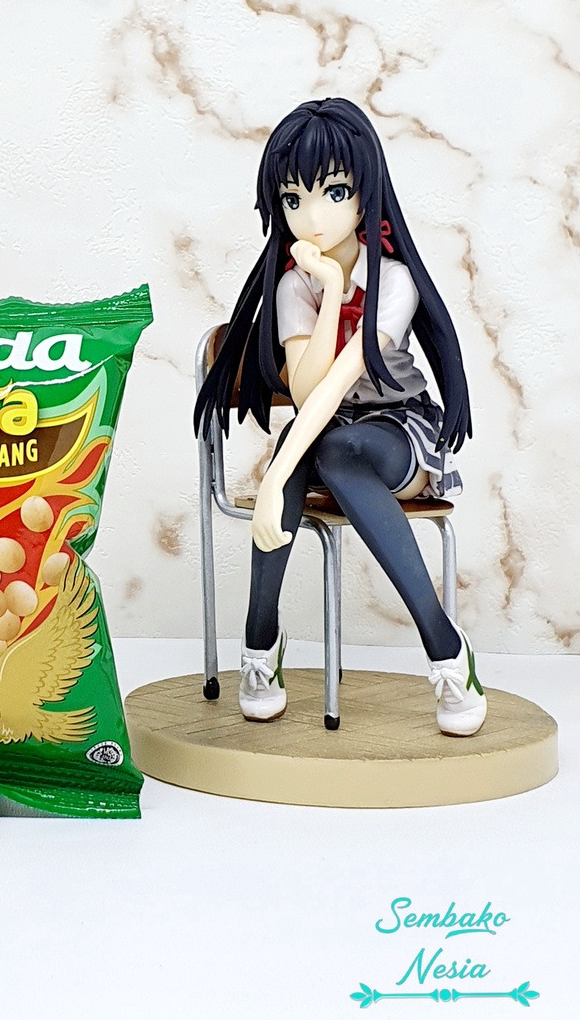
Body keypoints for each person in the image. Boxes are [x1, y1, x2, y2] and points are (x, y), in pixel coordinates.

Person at [194, 98, 486, 736]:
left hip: (398, 434)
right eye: (292, 199)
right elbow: (307, 392)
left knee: (330, 450)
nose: (312, 217)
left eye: (333, 192)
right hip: (325, 428)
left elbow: (337, 386)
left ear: (365, 194)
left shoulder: (395, 281)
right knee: (319, 446)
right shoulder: (294, 284)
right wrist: (327, 291)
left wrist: (273, 478)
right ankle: (260, 640)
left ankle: (445, 646)